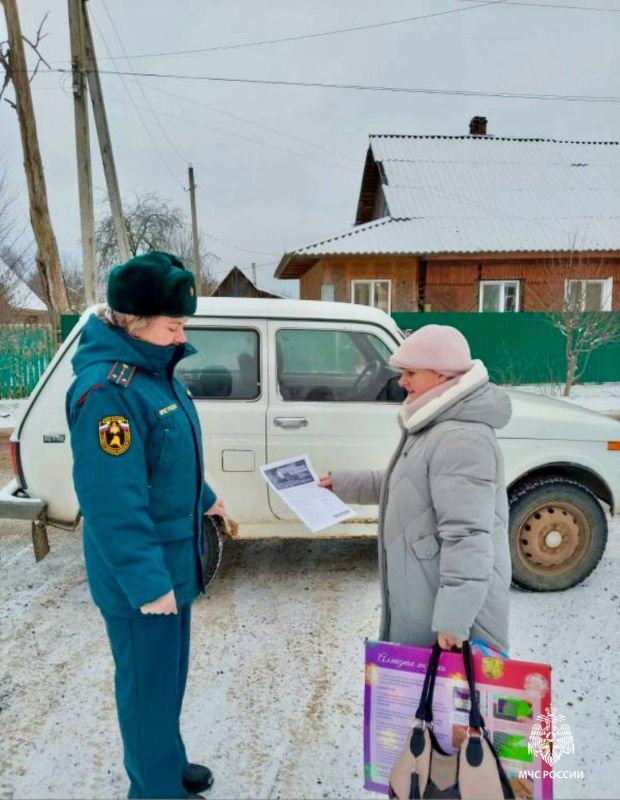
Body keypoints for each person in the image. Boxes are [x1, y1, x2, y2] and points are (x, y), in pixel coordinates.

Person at [66, 251, 224, 799]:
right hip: (143, 575)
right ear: (134, 322)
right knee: (145, 691)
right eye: (173, 326)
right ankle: (153, 789)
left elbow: (165, 458)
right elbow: (112, 501)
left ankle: (167, 764)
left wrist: (205, 498)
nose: (182, 337)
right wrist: (147, 583)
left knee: (167, 681)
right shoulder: (109, 391)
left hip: (172, 558)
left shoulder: (155, 372)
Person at [320, 324, 512, 657]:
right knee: (421, 689)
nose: (401, 381)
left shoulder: (461, 437)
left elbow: (468, 536)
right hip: (425, 593)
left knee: (449, 689)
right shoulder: (436, 425)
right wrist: (342, 483)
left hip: (449, 616)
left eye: (410, 372)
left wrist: (454, 620)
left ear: (441, 375)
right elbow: (408, 484)